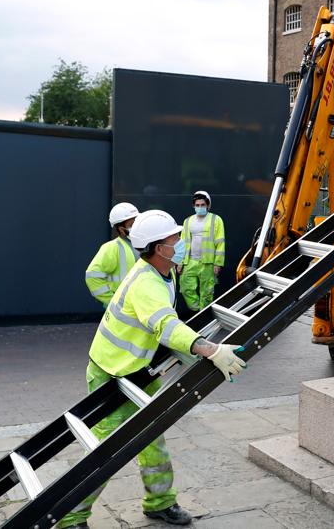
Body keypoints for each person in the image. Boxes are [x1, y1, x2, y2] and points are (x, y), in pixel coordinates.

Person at [58, 210, 246, 528]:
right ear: (160, 248)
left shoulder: (164, 272)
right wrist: (211, 349)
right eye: (175, 238)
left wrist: (185, 349)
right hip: (111, 371)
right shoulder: (147, 281)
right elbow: (166, 326)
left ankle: (160, 502)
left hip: (137, 369)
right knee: (106, 446)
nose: (181, 241)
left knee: (152, 435)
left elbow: (162, 328)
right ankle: (70, 516)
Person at [179, 190, 225, 319]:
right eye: (197, 205)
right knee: (186, 287)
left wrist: (218, 263)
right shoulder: (187, 221)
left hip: (207, 263)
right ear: (193, 206)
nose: (200, 208)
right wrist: (180, 262)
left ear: (208, 205)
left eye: (202, 205)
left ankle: (203, 317)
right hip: (190, 261)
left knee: (207, 291)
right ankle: (198, 310)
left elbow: (220, 243)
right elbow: (182, 243)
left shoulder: (216, 220)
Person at [85, 203, 139, 306]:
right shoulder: (112, 248)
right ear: (121, 229)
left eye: (137, 222)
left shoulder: (146, 244)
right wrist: (113, 301)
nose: (136, 227)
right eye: (132, 224)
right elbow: (92, 277)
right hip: (123, 309)